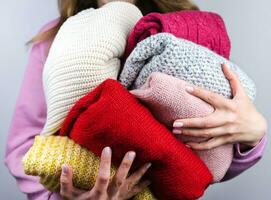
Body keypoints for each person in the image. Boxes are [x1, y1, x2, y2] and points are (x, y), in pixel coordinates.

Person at [5, 0, 267, 199]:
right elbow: (22, 147)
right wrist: (64, 196)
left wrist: (253, 135)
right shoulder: (56, 38)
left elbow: (215, 151)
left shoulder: (186, 27)